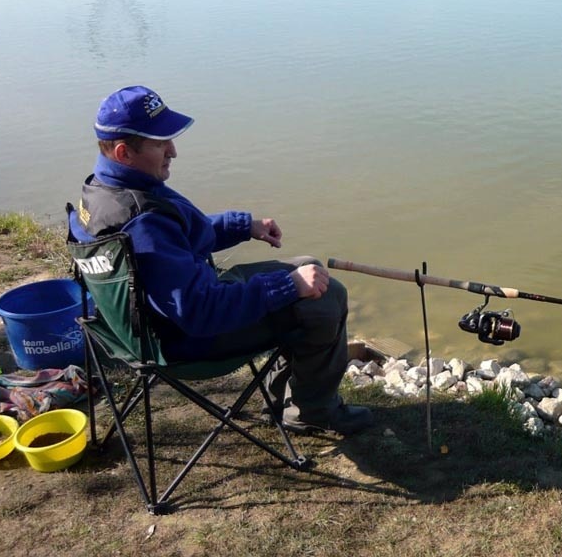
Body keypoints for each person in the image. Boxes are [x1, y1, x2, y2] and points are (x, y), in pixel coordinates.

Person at [68, 85, 373, 436]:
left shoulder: (102, 191)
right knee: (327, 297)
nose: (173, 151)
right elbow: (201, 312)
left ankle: (281, 400)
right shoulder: (144, 220)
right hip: (185, 340)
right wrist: (287, 287)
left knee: (308, 266)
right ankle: (313, 412)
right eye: (159, 143)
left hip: (144, 328)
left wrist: (243, 227)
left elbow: (173, 241)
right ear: (124, 152)